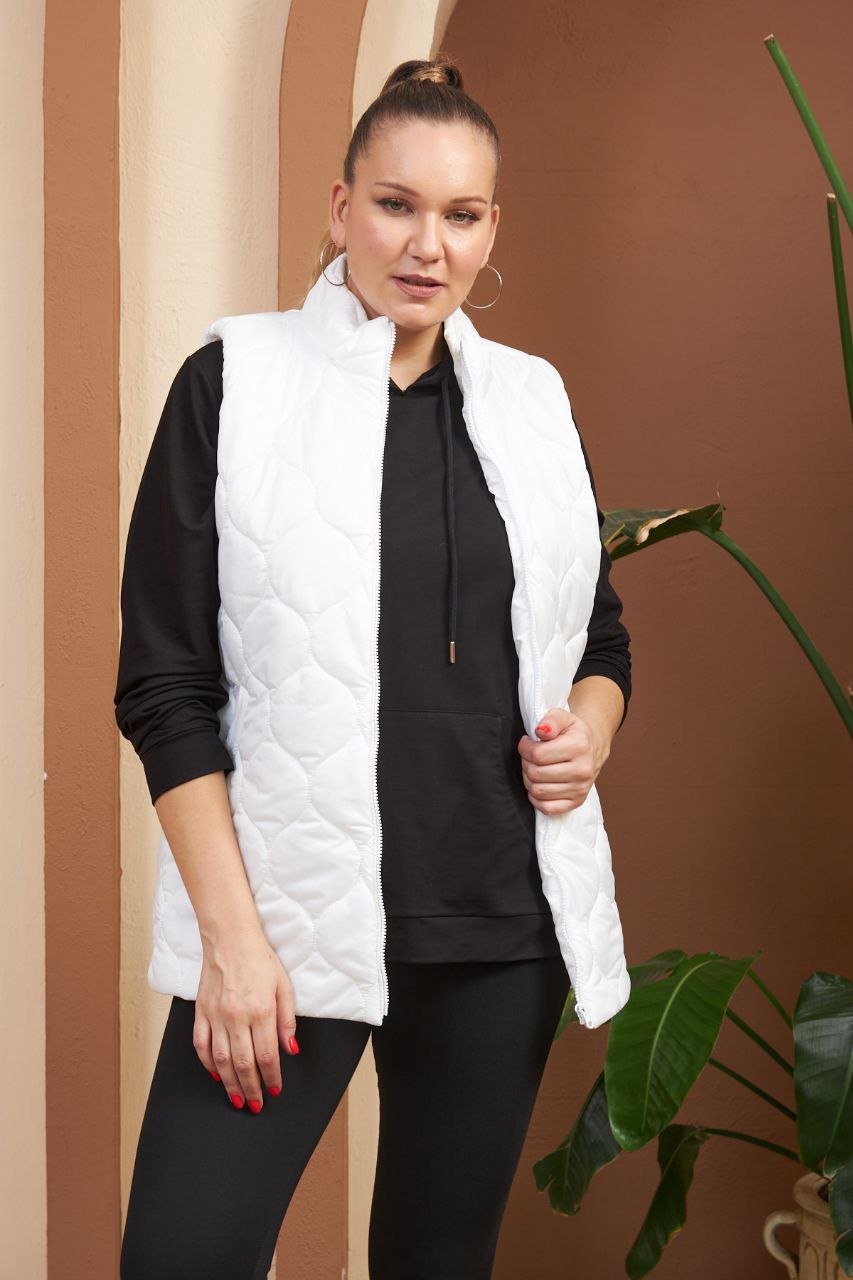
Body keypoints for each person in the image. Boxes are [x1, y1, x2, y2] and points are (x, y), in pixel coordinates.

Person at [116, 54, 632, 1280]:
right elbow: (164, 685)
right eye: (397, 204)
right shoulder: (233, 385)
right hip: (283, 924)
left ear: (491, 228)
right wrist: (232, 943)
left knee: (436, 1261)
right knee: (181, 1259)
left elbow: (599, 637)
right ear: (343, 206)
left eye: (461, 215)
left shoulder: (533, 401)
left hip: (497, 921)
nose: (426, 245)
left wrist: (592, 729)